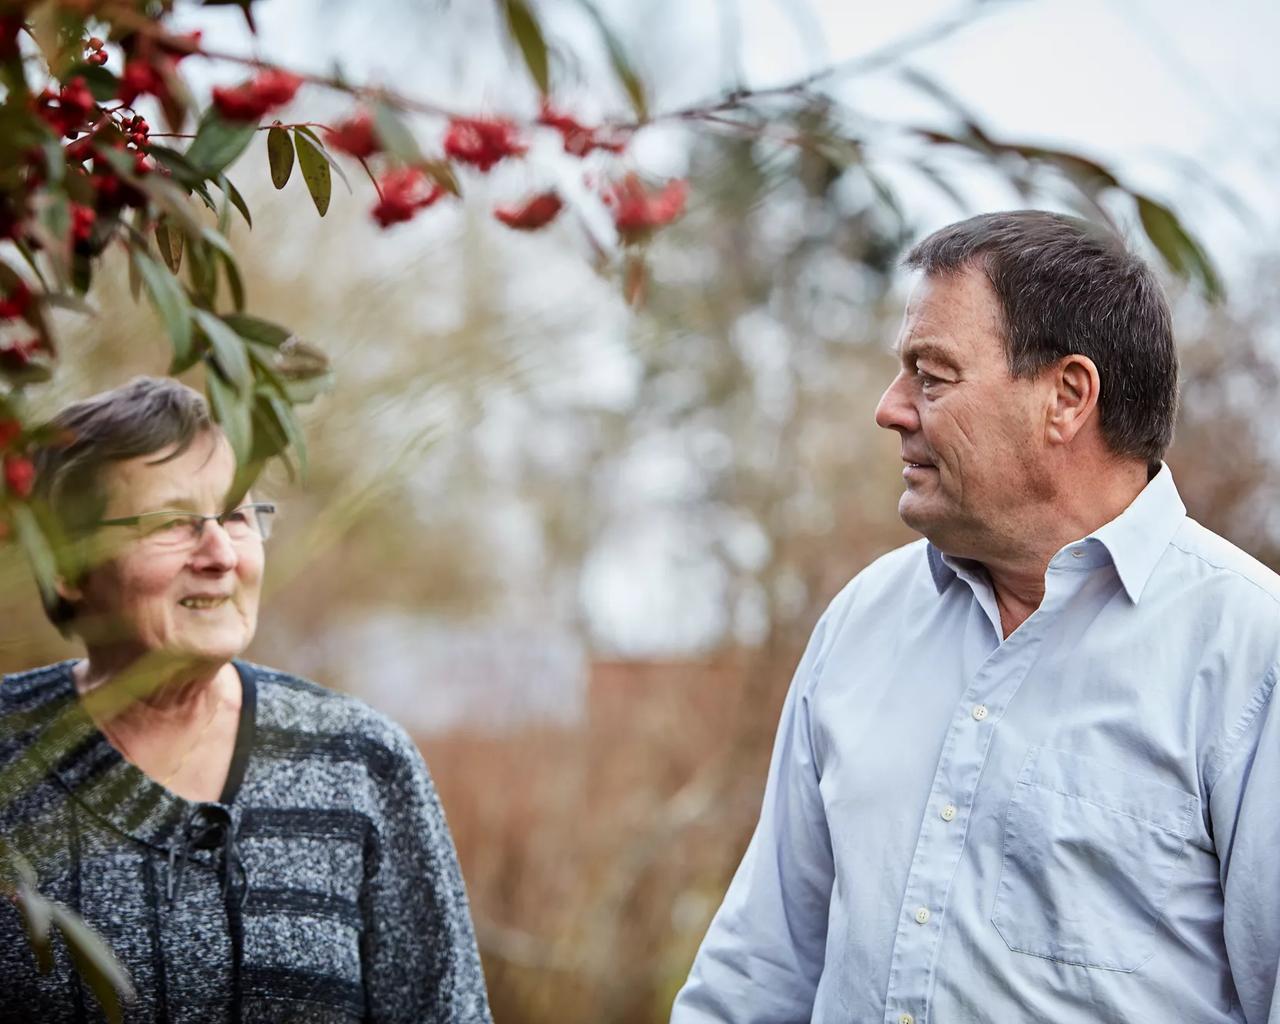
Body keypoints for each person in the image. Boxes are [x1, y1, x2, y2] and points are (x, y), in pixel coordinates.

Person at [671, 211, 1280, 1023]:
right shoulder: (862, 623)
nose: (891, 409)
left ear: (1067, 397)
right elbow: (757, 974)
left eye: (932, 374)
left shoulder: (1250, 654)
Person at [0, 377, 492, 1022]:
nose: (221, 553)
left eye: (235, 515)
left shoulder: (360, 764)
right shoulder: (11, 753)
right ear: (67, 564)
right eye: (171, 522)